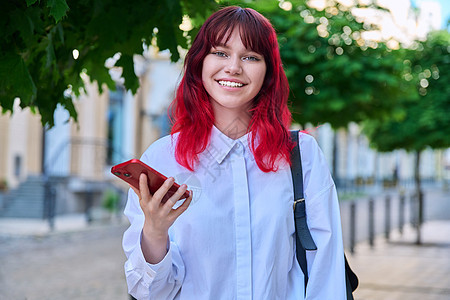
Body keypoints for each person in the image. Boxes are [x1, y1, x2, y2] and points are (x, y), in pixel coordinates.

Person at [122, 6, 347, 300]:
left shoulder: (301, 155)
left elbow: (325, 275)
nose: (234, 67)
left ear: (268, 72)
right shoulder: (162, 159)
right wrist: (154, 232)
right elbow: (148, 292)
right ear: (199, 63)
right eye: (220, 52)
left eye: (251, 57)